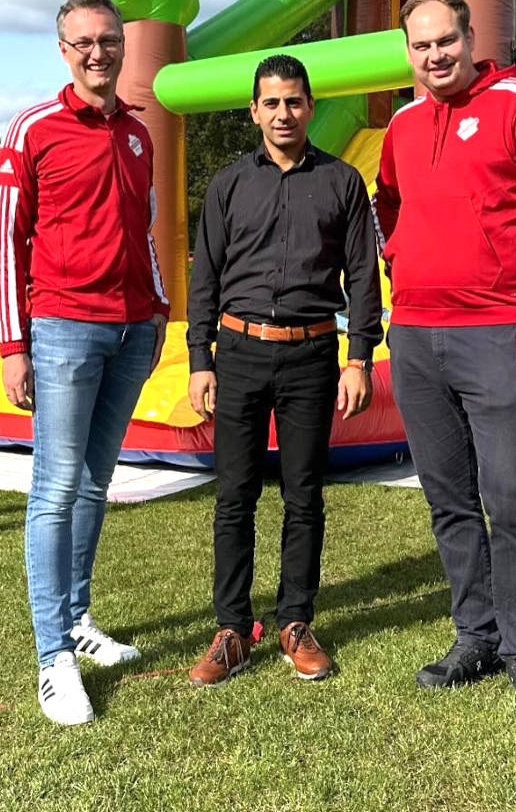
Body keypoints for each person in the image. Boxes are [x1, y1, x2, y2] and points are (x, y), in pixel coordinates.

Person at [372, 0, 516, 723]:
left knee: (513, 492)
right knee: (449, 498)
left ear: (469, 36)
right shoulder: (400, 124)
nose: (435, 56)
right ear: (410, 53)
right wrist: (399, 262)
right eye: (421, 46)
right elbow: (385, 203)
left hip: (500, 332)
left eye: (445, 41)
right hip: (418, 337)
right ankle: (476, 635)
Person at [0, 0, 169, 727]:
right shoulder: (32, 129)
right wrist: (12, 345)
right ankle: (51, 657)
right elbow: (5, 242)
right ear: (64, 49)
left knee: (95, 484)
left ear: (123, 44)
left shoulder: (137, 133)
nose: (99, 51)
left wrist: (156, 309)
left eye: (109, 39)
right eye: (84, 41)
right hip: (63, 327)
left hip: (132, 330)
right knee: (56, 487)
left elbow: (144, 229)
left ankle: (77, 620)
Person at [185, 53, 382, 688]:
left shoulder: (344, 182)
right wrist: (199, 360)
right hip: (238, 354)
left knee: (304, 496)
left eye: (293, 101)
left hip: (313, 355)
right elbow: (204, 278)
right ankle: (232, 630)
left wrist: (359, 357)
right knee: (233, 495)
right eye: (270, 102)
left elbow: (362, 275)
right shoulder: (228, 184)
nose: (283, 113)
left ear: (310, 106)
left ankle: (296, 623)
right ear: (253, 111)